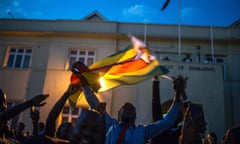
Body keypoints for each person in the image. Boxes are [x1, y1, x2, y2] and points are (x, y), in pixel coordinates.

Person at [72, 63, 183, 144]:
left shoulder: (143, 131)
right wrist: (83, 81)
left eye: (131, 108)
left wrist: (177, 94)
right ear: (119, 114)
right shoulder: (111, 125)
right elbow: (94, 103)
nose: (129, 108)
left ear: (135, 116)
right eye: (125, 107)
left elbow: (167, 121)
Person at [150, 76, 183, 144]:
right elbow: (156, 105)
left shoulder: (181, 133)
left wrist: (178, 92)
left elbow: (156, 105)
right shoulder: (160, 128)